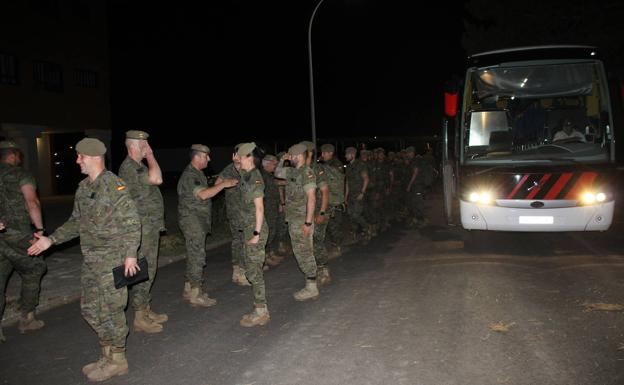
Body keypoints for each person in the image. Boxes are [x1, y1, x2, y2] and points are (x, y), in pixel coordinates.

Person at [27, 138, 141, 382]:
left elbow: (132, 223)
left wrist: (131, 255)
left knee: (112, 310)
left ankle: (118, 360)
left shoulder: (114, 186)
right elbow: (76, 222)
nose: (77, 160)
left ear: (93, 157)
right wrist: (51, 240)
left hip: (113, 259)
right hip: (91, 260)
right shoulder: (84, 187)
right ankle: (106, 352)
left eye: (80, 156)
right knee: (90, 309)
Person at [118, 130, 167, 333]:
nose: (147, 147)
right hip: (141, 227)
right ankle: (139, 315)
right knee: (144, 269)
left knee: (149, 268)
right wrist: (151, 156)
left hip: (149, 226)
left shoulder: (138, 166)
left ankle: (144, 308)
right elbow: (157, 179)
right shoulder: (130, 167)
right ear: (133, 146)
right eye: (144, 144)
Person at [177, 144, 238, 307]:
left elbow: (206, 189)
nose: (209, 159)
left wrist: (220, 182)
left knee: (193, 254)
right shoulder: (191, 175)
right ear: (197, 157)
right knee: (197, 256)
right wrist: (223, 185)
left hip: (196, 221)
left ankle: (189, 288)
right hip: (193, 221)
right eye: (206, 156)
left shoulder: (198, 173)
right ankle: (196, 294)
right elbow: (203, 195)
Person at [0, 140, 47, 342]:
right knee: (35, 267)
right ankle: (27, 317)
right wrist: (39, 230)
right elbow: (32, 202)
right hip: (18, 234)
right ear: (13, 155)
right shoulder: (21, 175)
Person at [274, 143, 319, 301]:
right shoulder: (292, 171)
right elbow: (277, 172)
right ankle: (311, 282)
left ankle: (311, 287)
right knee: (302, 251)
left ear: (299, 156)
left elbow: (312, 198)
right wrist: (282, 160)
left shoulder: (307, 172)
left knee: (304, 252)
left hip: (301, 220)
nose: (290, 158)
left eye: (291, 156)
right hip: (293, 219)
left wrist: (307, 223)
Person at [236, 143, 270, 326]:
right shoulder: (246, 174)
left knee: (254, 271)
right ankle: (259, 307)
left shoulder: (255, 178)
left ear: (249, 157)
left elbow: (259, 208)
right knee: (251, 268)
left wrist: (256, 234)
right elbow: (238, 169)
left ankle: (261, 311)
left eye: (240, 156)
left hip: (256, 229)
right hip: (249, 228)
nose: (237, 159)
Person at [216, 145, 249, 286]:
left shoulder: (248, 167)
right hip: (236, 212)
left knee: (246, 240)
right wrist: (226, 183)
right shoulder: (230, 169)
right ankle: (239, 271)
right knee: (239, 241)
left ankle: (244, 269)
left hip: (248, 211)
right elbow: (217, 184)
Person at [259, 154, 282, 267]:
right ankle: (263, 258)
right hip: (266, 208)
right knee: (267, 233)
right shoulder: (263, 176)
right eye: (274, 164)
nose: (276, 166)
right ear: (267, 164)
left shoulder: (268, 175)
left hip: (271, 207)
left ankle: (269, 254)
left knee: (271, 232)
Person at [344, 146, 371, 240]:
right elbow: (347, 182)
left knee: (356, 215)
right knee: (351, 215)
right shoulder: (348, 167)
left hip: (359, 193)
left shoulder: (360, 165)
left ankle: (367, 228)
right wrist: (346, 196)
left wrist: (362, 192)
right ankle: (354, 232)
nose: (345, 156)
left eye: (347, 154)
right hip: (351, 194)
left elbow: (366, 179)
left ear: (352, 154)